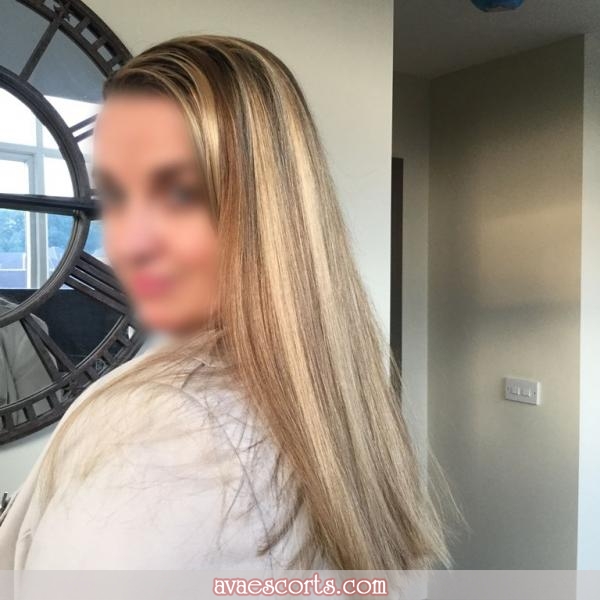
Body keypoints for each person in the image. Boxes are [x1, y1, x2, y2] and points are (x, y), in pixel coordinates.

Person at [0, 34, 452, 571]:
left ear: (264, 208)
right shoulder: (341, 406)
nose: (128, 244)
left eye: (179, 194)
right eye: (114, 197)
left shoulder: (158, 435)